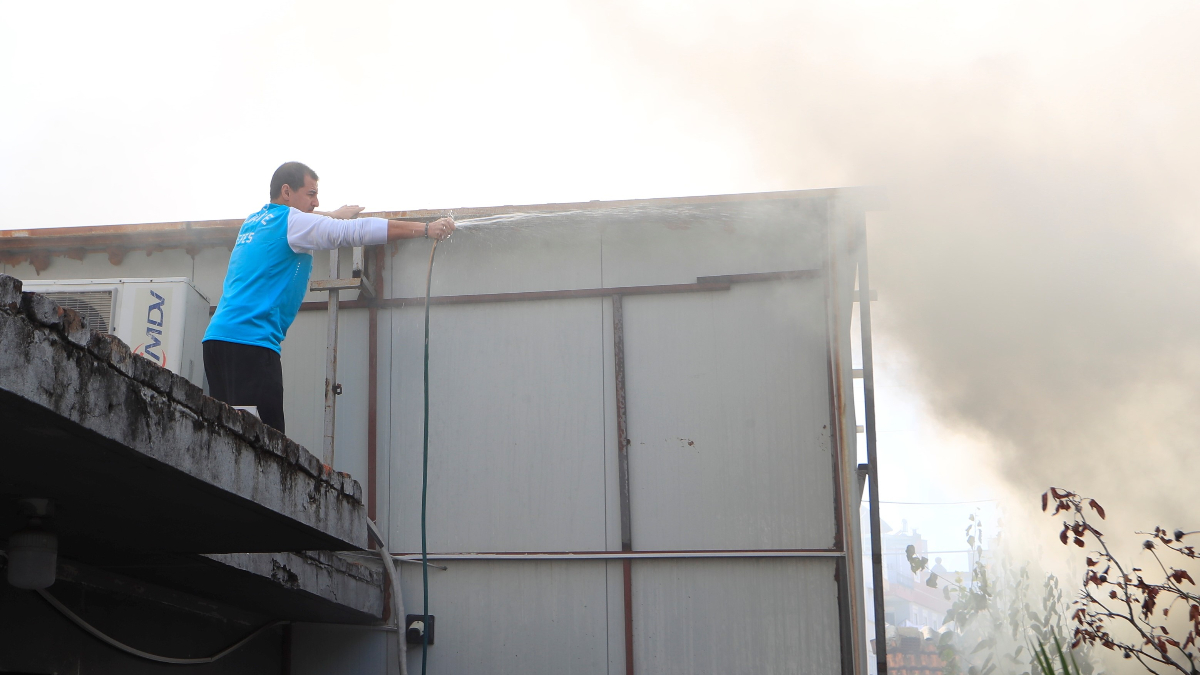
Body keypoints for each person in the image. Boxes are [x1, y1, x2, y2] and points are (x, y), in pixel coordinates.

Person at [202, 161, 454, 432]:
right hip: (249, 347)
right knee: (264, 447)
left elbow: (304, 221)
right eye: (311, 194)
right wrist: (425, 229)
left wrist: (332, 214)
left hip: (217, 342)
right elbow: (353, 232)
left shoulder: (254, 221)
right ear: (287, 192)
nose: (316, 201)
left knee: (228, 436)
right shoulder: (292, 223)